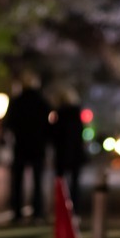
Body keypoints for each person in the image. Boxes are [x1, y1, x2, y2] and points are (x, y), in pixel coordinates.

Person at [4, 71, 51, 223]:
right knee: (38, 181)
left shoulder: (17, 102)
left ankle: (17, 212)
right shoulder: (42, 103)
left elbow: (9, 123)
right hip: (38, 146)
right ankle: (38, 212)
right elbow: (49, 126)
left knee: (17, 181)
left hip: (21, 145)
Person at [51, 87, 87, 215]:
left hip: (62, 153)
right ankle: (74, 208)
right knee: (75, 184)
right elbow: (79, 135)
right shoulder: (76, 114)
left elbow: (54, 135)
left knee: (61, 183)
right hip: (76, 153)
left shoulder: (58, 115)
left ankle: (61, 208)